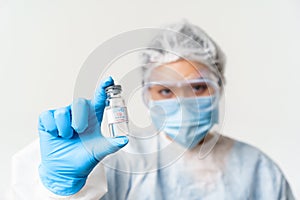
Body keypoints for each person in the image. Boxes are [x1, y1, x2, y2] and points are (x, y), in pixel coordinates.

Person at [8, 21, 295, 199]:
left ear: (219, 87)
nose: (184, 103)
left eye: (197, 87)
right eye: (166, 91)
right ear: (147, 96)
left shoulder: (259, 171)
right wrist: (61, 190)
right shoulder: (119, 164)